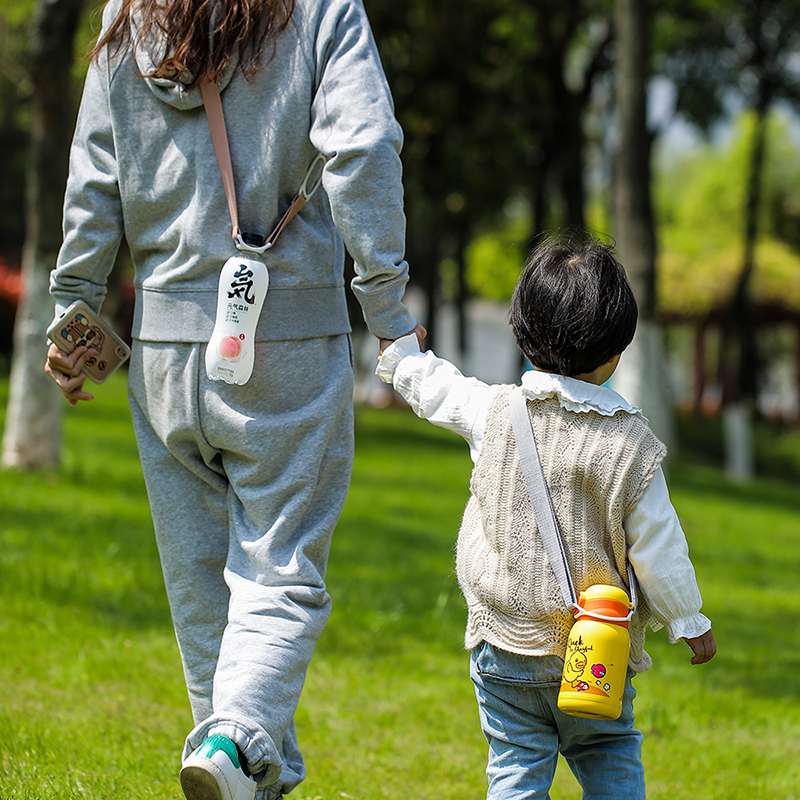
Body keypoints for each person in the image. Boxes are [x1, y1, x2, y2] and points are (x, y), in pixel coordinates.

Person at [44, 0, 424, 798]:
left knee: (204, 608)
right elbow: (362, 149)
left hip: (163, 351)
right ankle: (238, 743)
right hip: (284, 341)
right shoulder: (322, 10)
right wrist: (389, 316)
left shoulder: (127, 15)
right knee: (279, 576)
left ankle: (231, 766)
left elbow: (94, 172)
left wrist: (74, 308)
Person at [376, 235, 716, 800]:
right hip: (595, 650)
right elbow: (660, 544)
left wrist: (401, 356)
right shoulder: (631, 445)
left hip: (504, 643)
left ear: (523, 334)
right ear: (616, 350)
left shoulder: (496, 411)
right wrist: (688, 619)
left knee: (515, 762)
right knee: (606, 750)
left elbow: (438, 391)